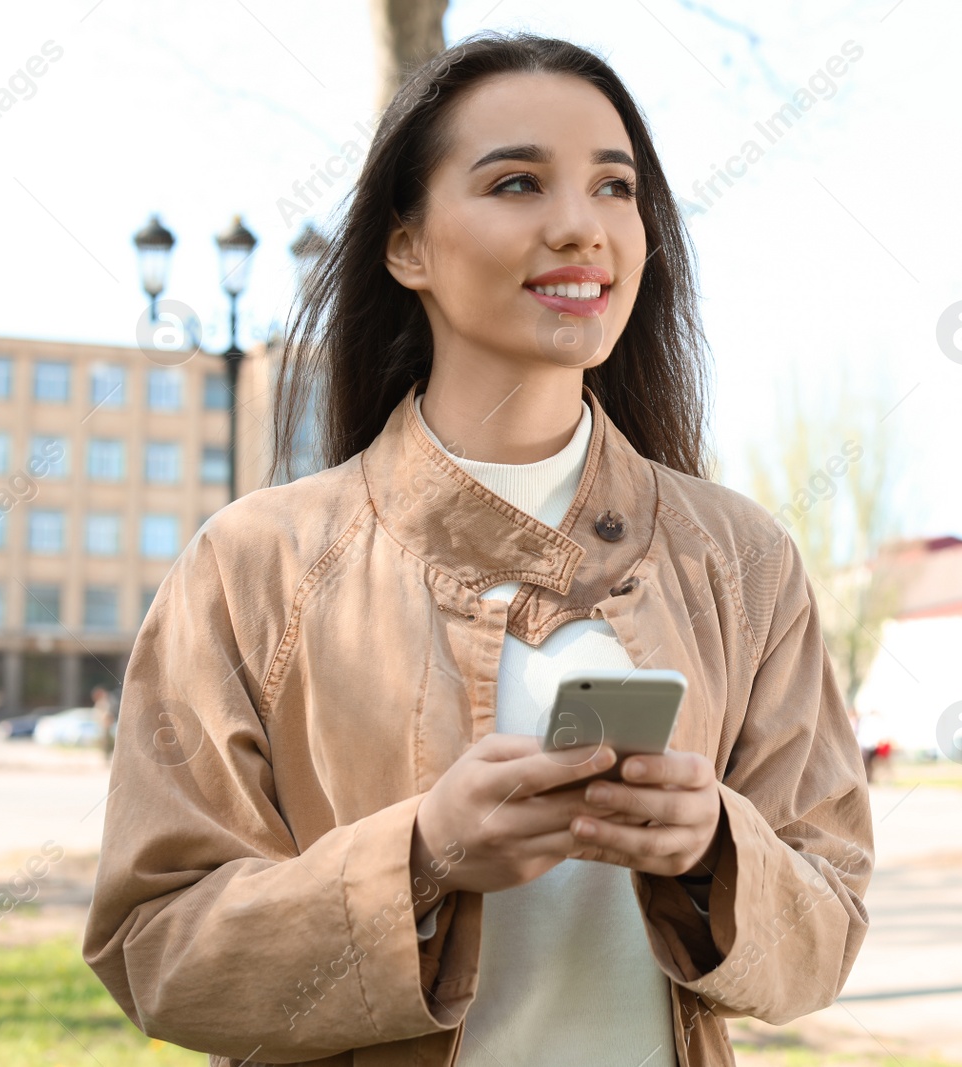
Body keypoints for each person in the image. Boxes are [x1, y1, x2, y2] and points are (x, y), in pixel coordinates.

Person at [82, 33, 873, 1067]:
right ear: (406, 246)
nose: (579, 226)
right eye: (516, 182)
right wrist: (420, 854)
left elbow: (829, 923)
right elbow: (156, 949)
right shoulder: (252, 563)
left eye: (613, 188)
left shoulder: (744, 559)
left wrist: (713, 847)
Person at [90, 685, 115, 762]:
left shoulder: (106, 702)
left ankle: (108, 755)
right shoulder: (101, 702)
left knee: (107, 741)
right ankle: (106, 756)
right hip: (103, 725)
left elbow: (107, 714)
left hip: (106, 724)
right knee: (104, 741)